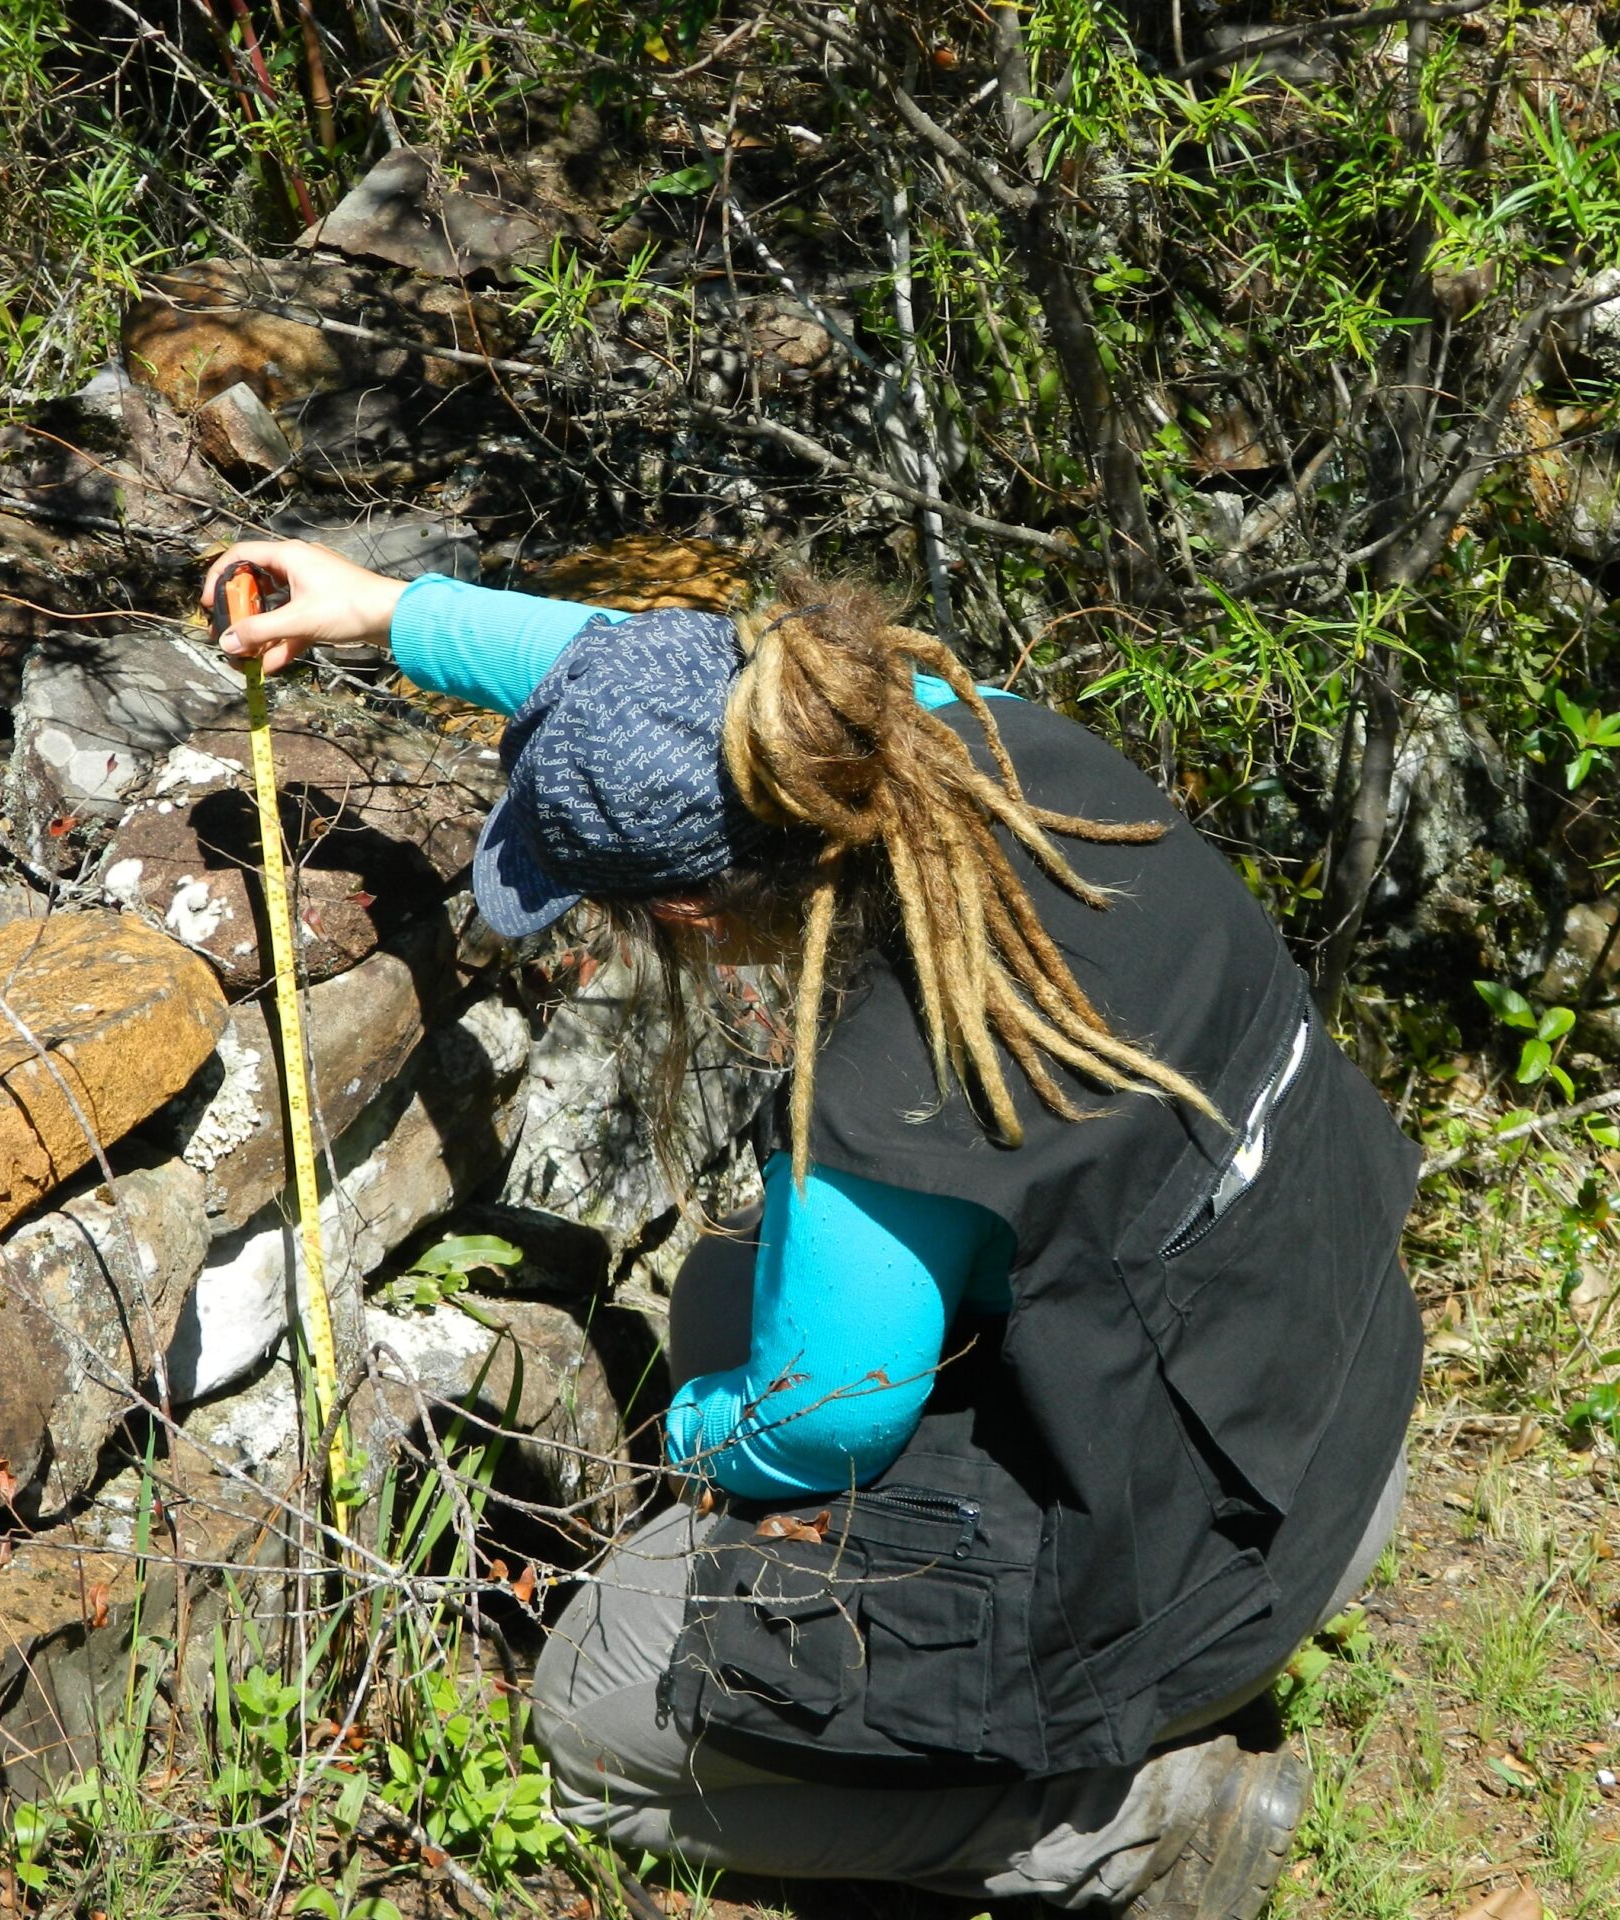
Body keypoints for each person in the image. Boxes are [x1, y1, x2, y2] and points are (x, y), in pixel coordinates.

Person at [204, 539, 1423, 1918]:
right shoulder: (998, 749)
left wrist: (694, 1433)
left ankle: (1123, 1824)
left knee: (599, 1708)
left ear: (683, 911)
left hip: (1225, 1576)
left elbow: (826, 1421)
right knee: (738, 1286)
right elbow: (700, 687)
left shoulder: (883, 1100)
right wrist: (394, 611)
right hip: (1334, 1419)